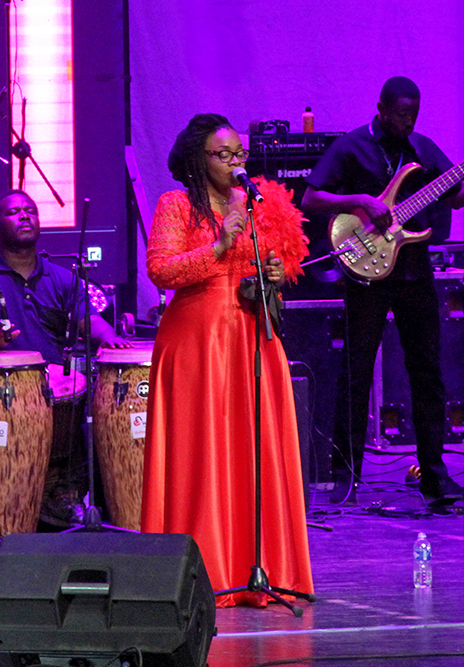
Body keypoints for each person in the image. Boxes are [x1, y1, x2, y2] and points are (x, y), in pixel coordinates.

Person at [301, 76, 464, 505]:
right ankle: (346, 477)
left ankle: (434, 475)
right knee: (356, 373)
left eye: (414, 114)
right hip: (367, 275)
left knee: (428, 373)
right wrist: (361, 201)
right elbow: (311, 199)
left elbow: (456, 196)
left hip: (414, 272)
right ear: (381, 109)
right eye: (401, 114)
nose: (408, 121)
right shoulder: (351, 147)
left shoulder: (422, 149)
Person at [141, 113, 313, 608]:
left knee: (255, 450)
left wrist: (276, 271)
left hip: (252, 336)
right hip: (199, 342)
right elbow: (161, 270)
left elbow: (277, 259)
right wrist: (219, 245)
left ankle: (261, 567)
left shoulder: (258, 201)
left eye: (240, 153)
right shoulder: (176, 204)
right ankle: (207, 569)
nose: (237, 162)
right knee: (204, 453)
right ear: (199, 159)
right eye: (224, 154)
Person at [0, 190, 126, 525]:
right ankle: (12, 499)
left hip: (54, 386)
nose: (24, 216)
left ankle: (62, 493)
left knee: (87, 398)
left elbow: (87, 320)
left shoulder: (61, 278)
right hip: (0, 388)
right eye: (14, 212)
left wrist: (110, 339)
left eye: (30, 211)